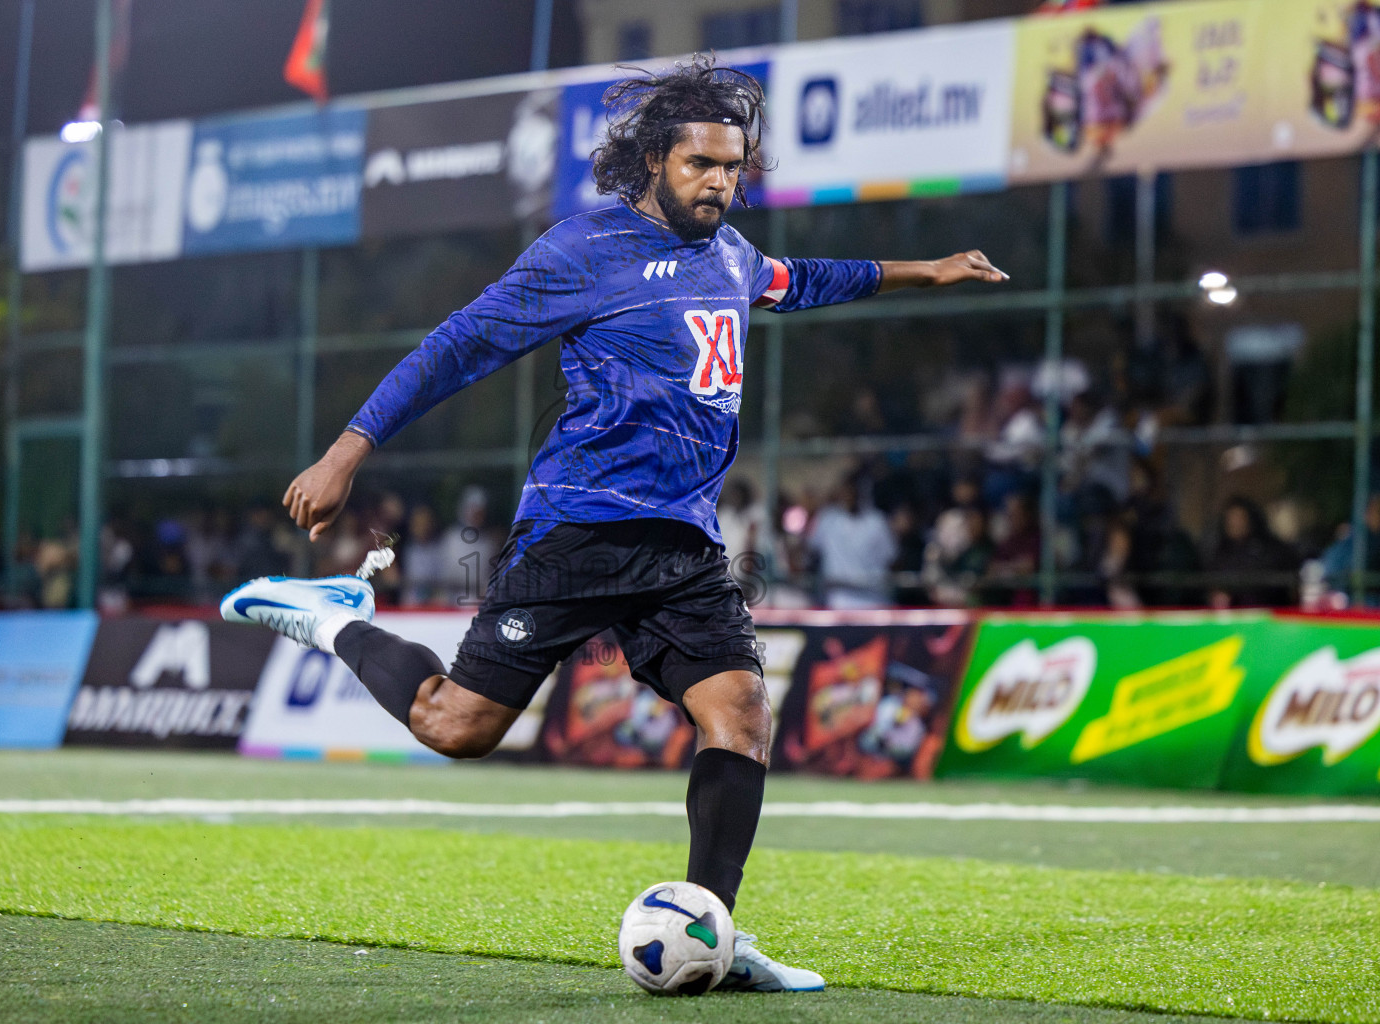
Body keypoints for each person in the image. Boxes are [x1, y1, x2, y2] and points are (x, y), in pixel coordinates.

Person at [222, 55, 1006, 993]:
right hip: (578, 530)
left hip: (683, 545)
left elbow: (807, 280)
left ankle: (713, 931)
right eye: (700, 165)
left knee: (741, 715)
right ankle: (330, 617)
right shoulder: (580, 252)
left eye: (732, 166)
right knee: (457, 726)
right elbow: (457, 347)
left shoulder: (733, 253)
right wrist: (349, 448)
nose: (720, 182)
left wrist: (929, 270)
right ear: (652, 164)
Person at [808, 476, 896, 609]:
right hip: (839, 600)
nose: (850, 496)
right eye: (845, 492)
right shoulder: (828, 520)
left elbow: (892, 558)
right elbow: (811, 550)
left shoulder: (877, 522)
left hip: (873, 600)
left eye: (853, 492)